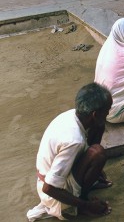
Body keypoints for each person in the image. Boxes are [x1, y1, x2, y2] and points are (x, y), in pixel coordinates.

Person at [27, 83, 113, 221]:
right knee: (98, 153)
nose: (109, 113)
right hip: (53, 192)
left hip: (54, 176)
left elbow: (94, 130)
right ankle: (78, 203)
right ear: (95, 114)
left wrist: (93, 171)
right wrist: (87, 205)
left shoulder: (71, 115)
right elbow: (49, 188)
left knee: (99, 126)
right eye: (107, 110)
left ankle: (84, 186)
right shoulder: (74, 140)